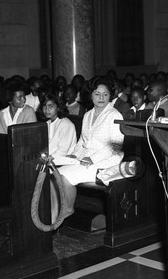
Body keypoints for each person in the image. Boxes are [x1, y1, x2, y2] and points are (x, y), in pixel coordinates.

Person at [56, 78, 124, 217]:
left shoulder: (115, 115)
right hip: (86, 160)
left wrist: (92, 159)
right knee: (55, 174)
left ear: (110, 96)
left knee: (65, 176)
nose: (101, 98)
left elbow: (115, 146)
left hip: (106, 163)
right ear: (91, 95)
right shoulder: (88, 114)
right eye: (97, 94)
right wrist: (75, 155)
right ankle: (58, 209)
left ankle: (67, 209)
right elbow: (82, 141)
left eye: (105, 94)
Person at [40, 92, 77, 222]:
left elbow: (62, 152)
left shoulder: (66, 124)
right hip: (50, 161)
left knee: (48, 179)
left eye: (51, 106)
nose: (46, 109)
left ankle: (53, 218)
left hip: (63, 163)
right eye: (44, 106)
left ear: (58, 107)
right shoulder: (47, 123)